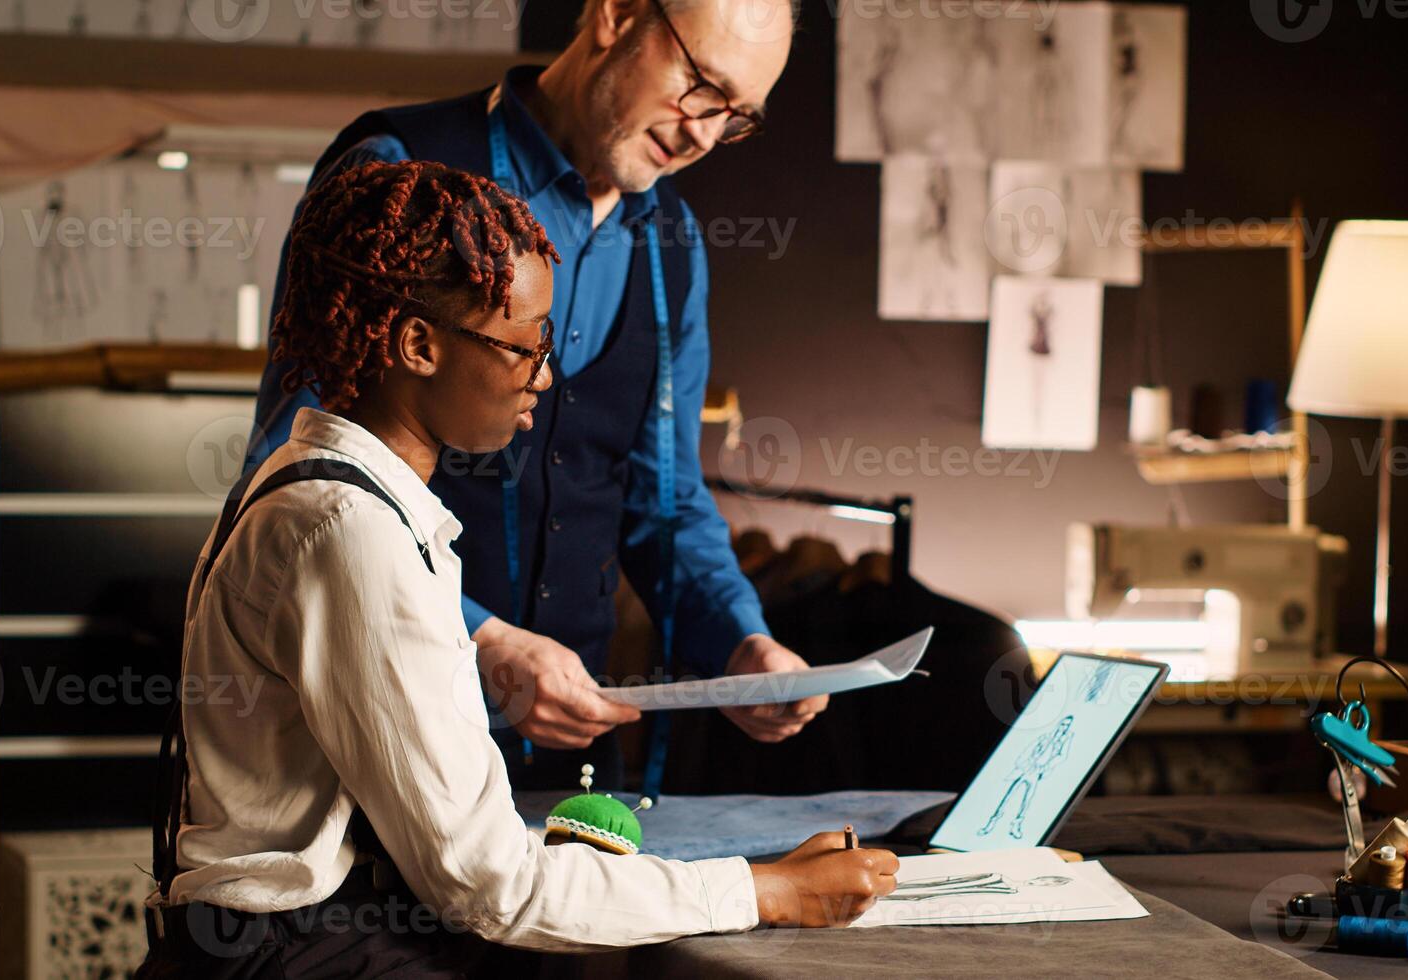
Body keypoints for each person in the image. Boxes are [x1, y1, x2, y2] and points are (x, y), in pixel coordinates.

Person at [138, 160, 898, 976]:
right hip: (297, 952)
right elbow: (489, 887)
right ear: (418, 344)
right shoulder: (346, 530)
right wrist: (768, 891)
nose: (544, 375)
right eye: (525, 345)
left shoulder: (328, 492)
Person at [245, 0, 821, 792]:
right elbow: (296, 468)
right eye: (699, 85)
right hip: (381, 740)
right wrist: (481, 643)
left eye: (736, 115)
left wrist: (742, 642)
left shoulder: (675, 247)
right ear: (616, 15)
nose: (704, 133)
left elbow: (666, 502)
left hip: (571, 766)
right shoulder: (399, 173)